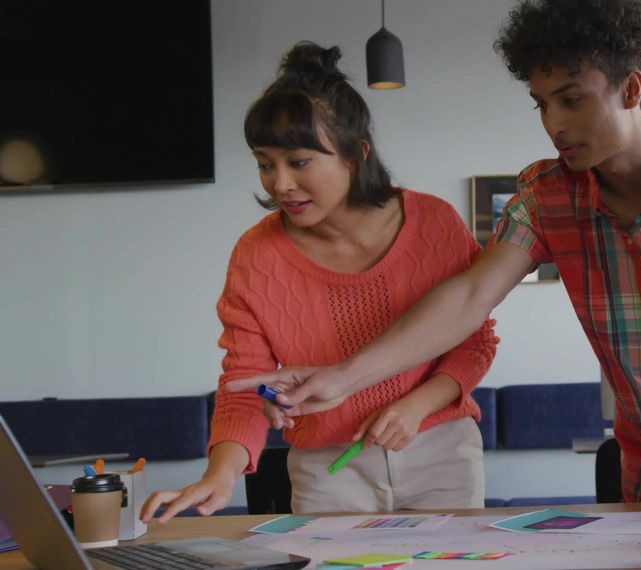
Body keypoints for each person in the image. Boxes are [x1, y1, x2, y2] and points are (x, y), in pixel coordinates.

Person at [232, 0, 641, 513]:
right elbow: (467, 296)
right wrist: (342, 379)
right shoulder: (545, 195)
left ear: (631, 89)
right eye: (541, 103)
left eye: (572, 100)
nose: (554, 123)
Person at [140, 41, 498, 523]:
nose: (279, 183)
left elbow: (474, 340)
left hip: (439, 449)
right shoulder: (256, 257)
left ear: (356, 154)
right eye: (265, 163)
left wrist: (416, 405)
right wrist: (220, 474)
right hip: (327, 470)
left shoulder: (433, 223)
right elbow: (244, 383)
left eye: (299, 161)